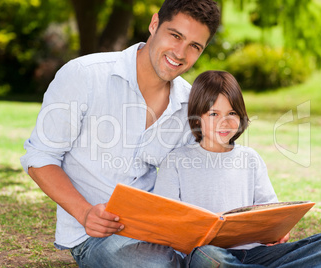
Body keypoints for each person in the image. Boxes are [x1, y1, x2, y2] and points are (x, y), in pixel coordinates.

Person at [20, 0, 220, 267]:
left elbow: (195, 179)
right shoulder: (84, 75)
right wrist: (85, 213)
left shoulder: (189, 103)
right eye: (175, 36)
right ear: (154, 24)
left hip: (160, 231)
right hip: (96, 236)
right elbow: (39, 158)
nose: (180, 53)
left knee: (219, 256)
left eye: (195, 46)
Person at [153, 70, 321, 267]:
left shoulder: (250, 158)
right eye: (213, 114)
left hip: (254, 253)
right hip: (208, 256)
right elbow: (165, 222)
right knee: (207, 257)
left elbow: (270, 210)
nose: (224, 122)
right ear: (197, 117)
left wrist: (279, 230)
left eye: (231, 113)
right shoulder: (176, 161)